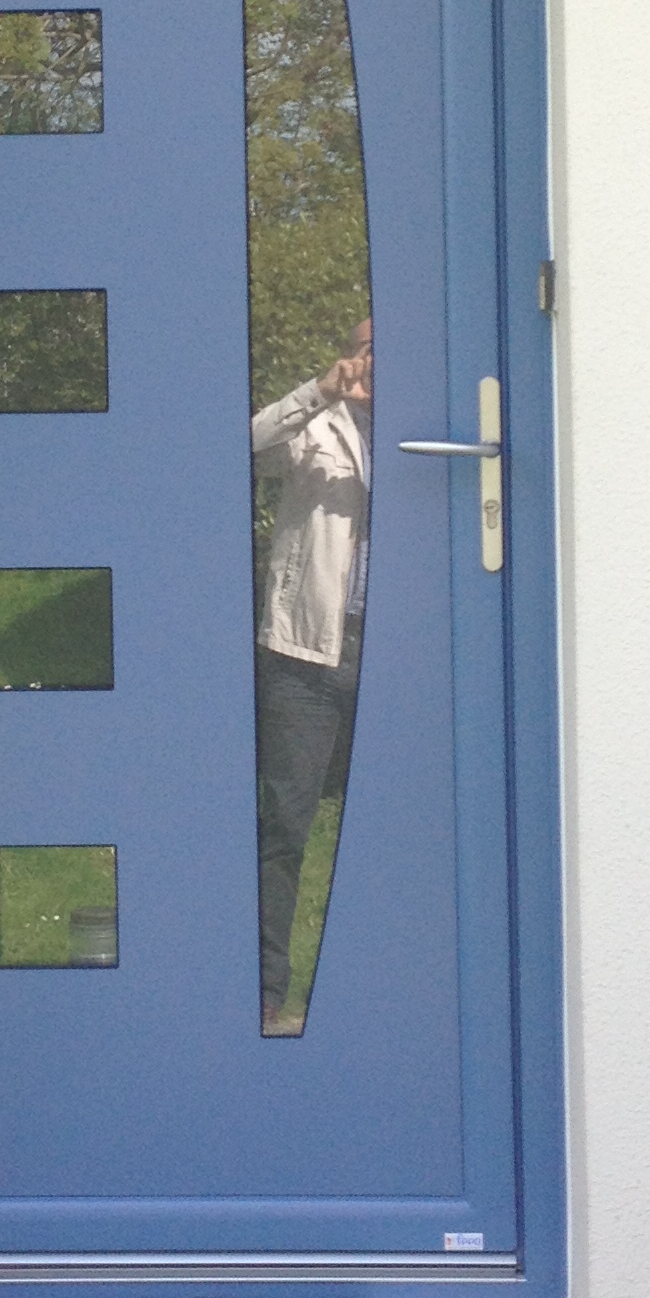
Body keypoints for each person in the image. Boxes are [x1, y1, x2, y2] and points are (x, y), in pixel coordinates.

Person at [251, 319, 371, 1033]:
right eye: (364, 348)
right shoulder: (315, 424)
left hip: (402, 658)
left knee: (402, 826)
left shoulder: (431, 428)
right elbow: (245, 445)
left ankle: (383, 982)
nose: (374, 363)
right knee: (286, 827)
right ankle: (266, 987)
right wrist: (320, 389)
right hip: (307, 652)